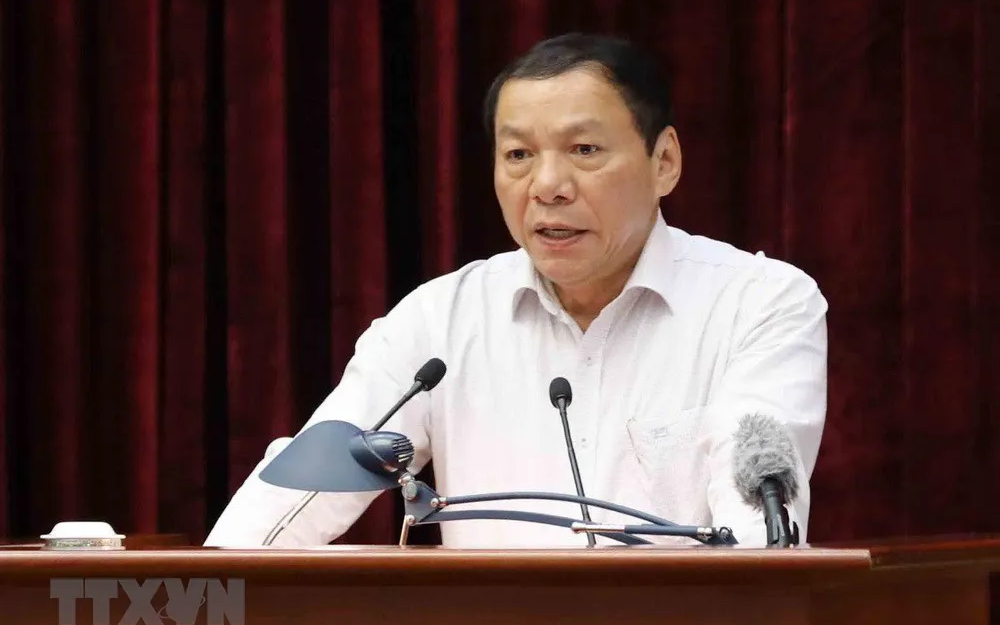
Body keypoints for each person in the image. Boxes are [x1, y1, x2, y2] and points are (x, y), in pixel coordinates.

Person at [204, 33, 828, 549]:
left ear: (664, 161)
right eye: (519, 155)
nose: (547, 185)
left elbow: (760, 530)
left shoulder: (759, 304)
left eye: (584, 149)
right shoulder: (440, 322)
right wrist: (209, 596)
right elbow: (297, 498)